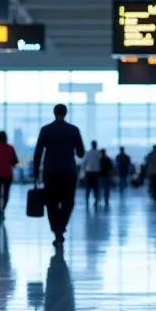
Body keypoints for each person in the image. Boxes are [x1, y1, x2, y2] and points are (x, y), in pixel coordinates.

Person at [33, 104, 85, 248]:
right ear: (66, 113)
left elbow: (38, 152)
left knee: (51, 202)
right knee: (68, 202)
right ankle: (61, 227)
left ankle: (56, 230)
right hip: (69, 171)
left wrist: (36, 172)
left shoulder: (45, 130)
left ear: (54, 113)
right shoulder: (73, 130)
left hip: (50, 172)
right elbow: (81, 152)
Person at [83, 140, 102, 208]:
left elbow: (84, 163)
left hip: (89, 172)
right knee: (95, 187)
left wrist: (84, 171)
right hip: (96, 172)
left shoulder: (88, 153)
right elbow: (101, 162)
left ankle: (87, 199)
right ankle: (96, 199)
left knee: (88, 187)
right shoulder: (99, 153)